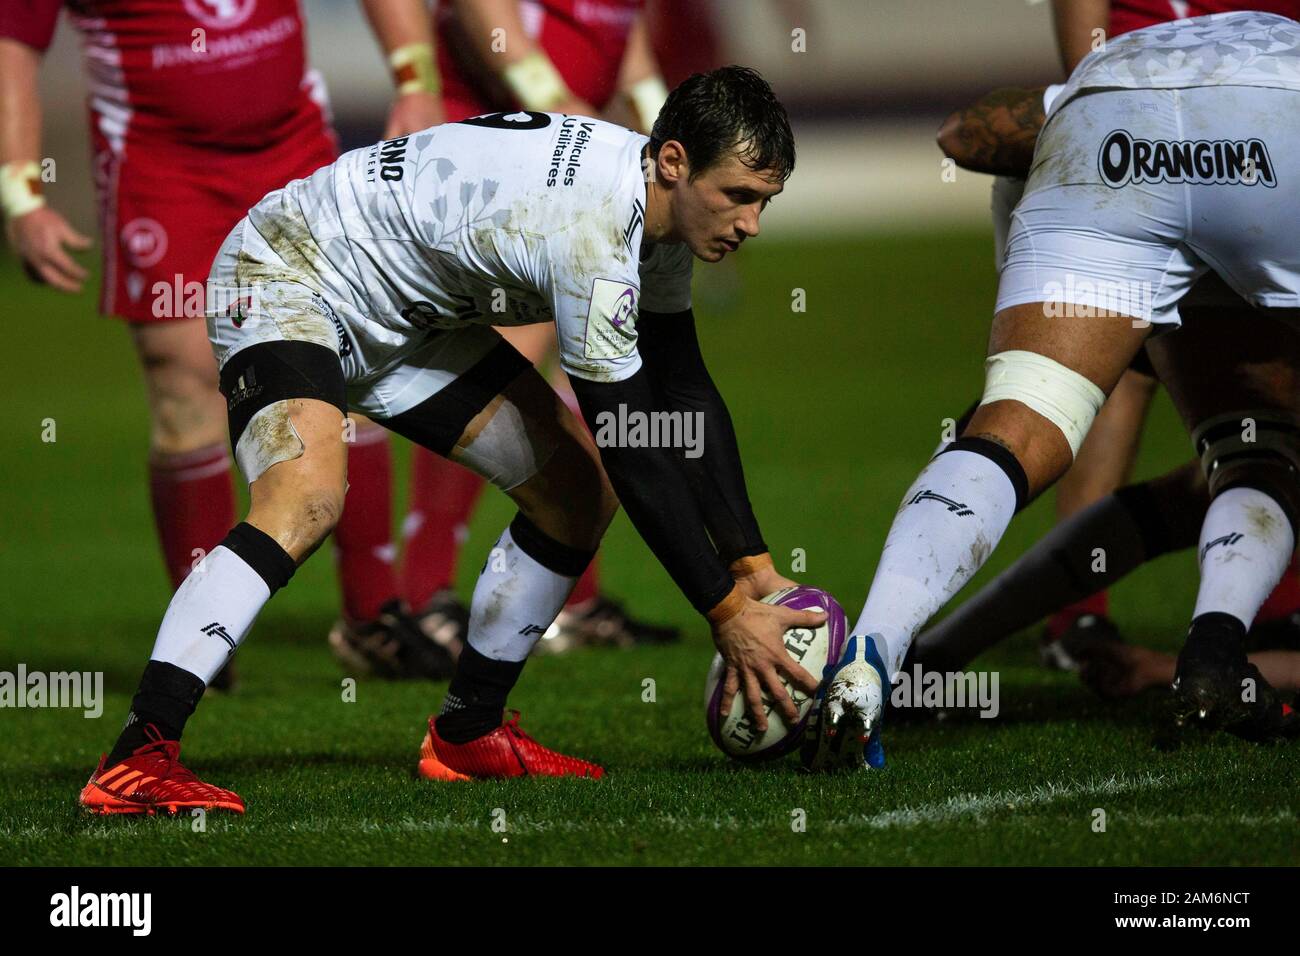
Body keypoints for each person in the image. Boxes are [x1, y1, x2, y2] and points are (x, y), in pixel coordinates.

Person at [79, 66, 822, 813]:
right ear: (673, 163)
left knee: (573, 493)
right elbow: (634, 442)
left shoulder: (654, 216)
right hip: (289, 272)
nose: (751, 223)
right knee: (303, 500)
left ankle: (467, 732)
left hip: (406, 321)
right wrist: (727, 614)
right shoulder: (596, 231)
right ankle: (138, 757)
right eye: (740, 196)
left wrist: (751, 565)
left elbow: (684, 391)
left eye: (765, 202)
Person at [805, 11, 1300, 773]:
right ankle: (1216, 651)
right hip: (1278, 127)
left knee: (1017, 435)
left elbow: (964, 135)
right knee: (1257, 453)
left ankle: (875, 653)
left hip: (1109, 109)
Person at [0, 0, 451, 689]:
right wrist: (21, 193)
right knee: (184, 384)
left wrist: (416, 80)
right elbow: (13, 46)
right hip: (158, 164)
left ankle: (372, 616)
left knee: (349, 362)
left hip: (290, 142)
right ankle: (206, 640)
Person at [391, 0, 678, 660]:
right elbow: (482, 19)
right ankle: (425, 592)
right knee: (509, 357)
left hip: (573, 152)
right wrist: (575, 115)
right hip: (506, 148)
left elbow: (625, 43)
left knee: (576, 363)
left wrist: (668, 126)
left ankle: (571, 600)